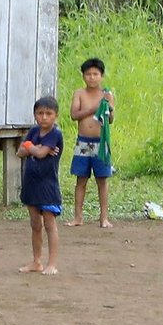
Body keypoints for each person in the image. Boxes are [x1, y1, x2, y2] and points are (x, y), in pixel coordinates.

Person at [19, 95, 63, 275]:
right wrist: (33, 147)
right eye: (40, 113)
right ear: (35, 115)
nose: (44, 117)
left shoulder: (55, 134)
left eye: (48, 113)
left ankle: (52, 263)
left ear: (56, 116)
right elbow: (20, 152)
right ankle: (36, 261)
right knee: (35, 224)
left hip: (47, 185)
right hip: (31, 182)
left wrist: (31, 148)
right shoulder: (33, 131)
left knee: (49, 223)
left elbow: (40, 153)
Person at [70, 57, 114, 228]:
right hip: (83, 142)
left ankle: (104, 218)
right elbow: (74, 115)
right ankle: (78, 217)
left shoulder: (107, 95)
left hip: (101, 142)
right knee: (81, 179)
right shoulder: (79, 93)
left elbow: (110, 120)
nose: (92, 77)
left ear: (101, 76)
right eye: (88, 74)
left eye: (95, 74)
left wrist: (108, 109)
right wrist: (93, 109)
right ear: (83, 76)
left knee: (102, 180)